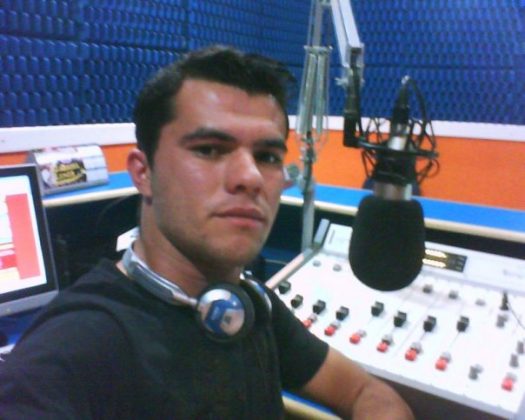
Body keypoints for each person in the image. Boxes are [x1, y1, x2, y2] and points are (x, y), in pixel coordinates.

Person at [0, 45, 414, 419]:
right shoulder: (68, 354)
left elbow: (368, 394)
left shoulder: (250, 306)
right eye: (210, 149)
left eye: (268, 156)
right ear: (143, 173)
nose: (251, 177)